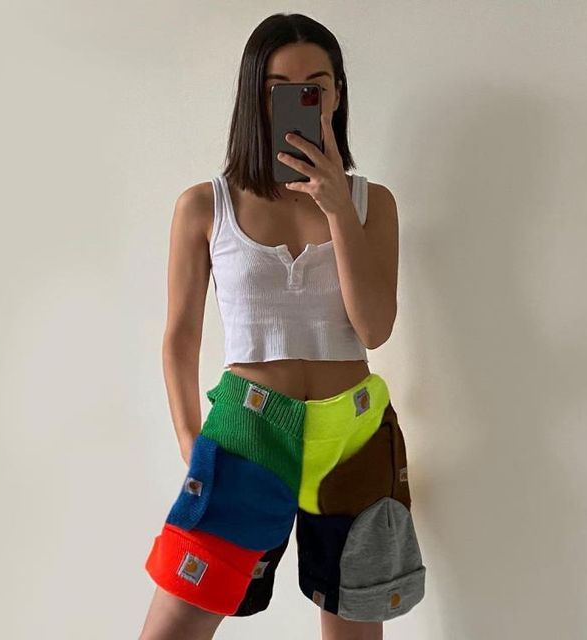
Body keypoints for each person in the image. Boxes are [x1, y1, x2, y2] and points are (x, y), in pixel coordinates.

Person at [139, 12, 425, 640]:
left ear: (336, 95)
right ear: (255, 96)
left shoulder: (373, 204)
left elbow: (374, 329)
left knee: (353, 629)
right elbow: (180, 335)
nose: (299, 100)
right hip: (248, 428)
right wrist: (190, 438)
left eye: (314, 86)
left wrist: (338, 208)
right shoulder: (205, 204)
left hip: (353, 435)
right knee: (173, 625)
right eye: (279, 88)